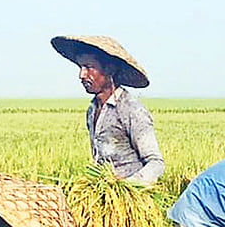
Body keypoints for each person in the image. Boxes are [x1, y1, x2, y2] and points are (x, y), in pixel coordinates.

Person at [51, 35, 164, 186]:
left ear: (110, 69)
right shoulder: (92, 110)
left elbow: (156, 163)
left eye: (89, 67)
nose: (82, 75)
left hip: (129, 197)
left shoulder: (131, 109)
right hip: (103, 192)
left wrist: (126, 187)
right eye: (80, 67)